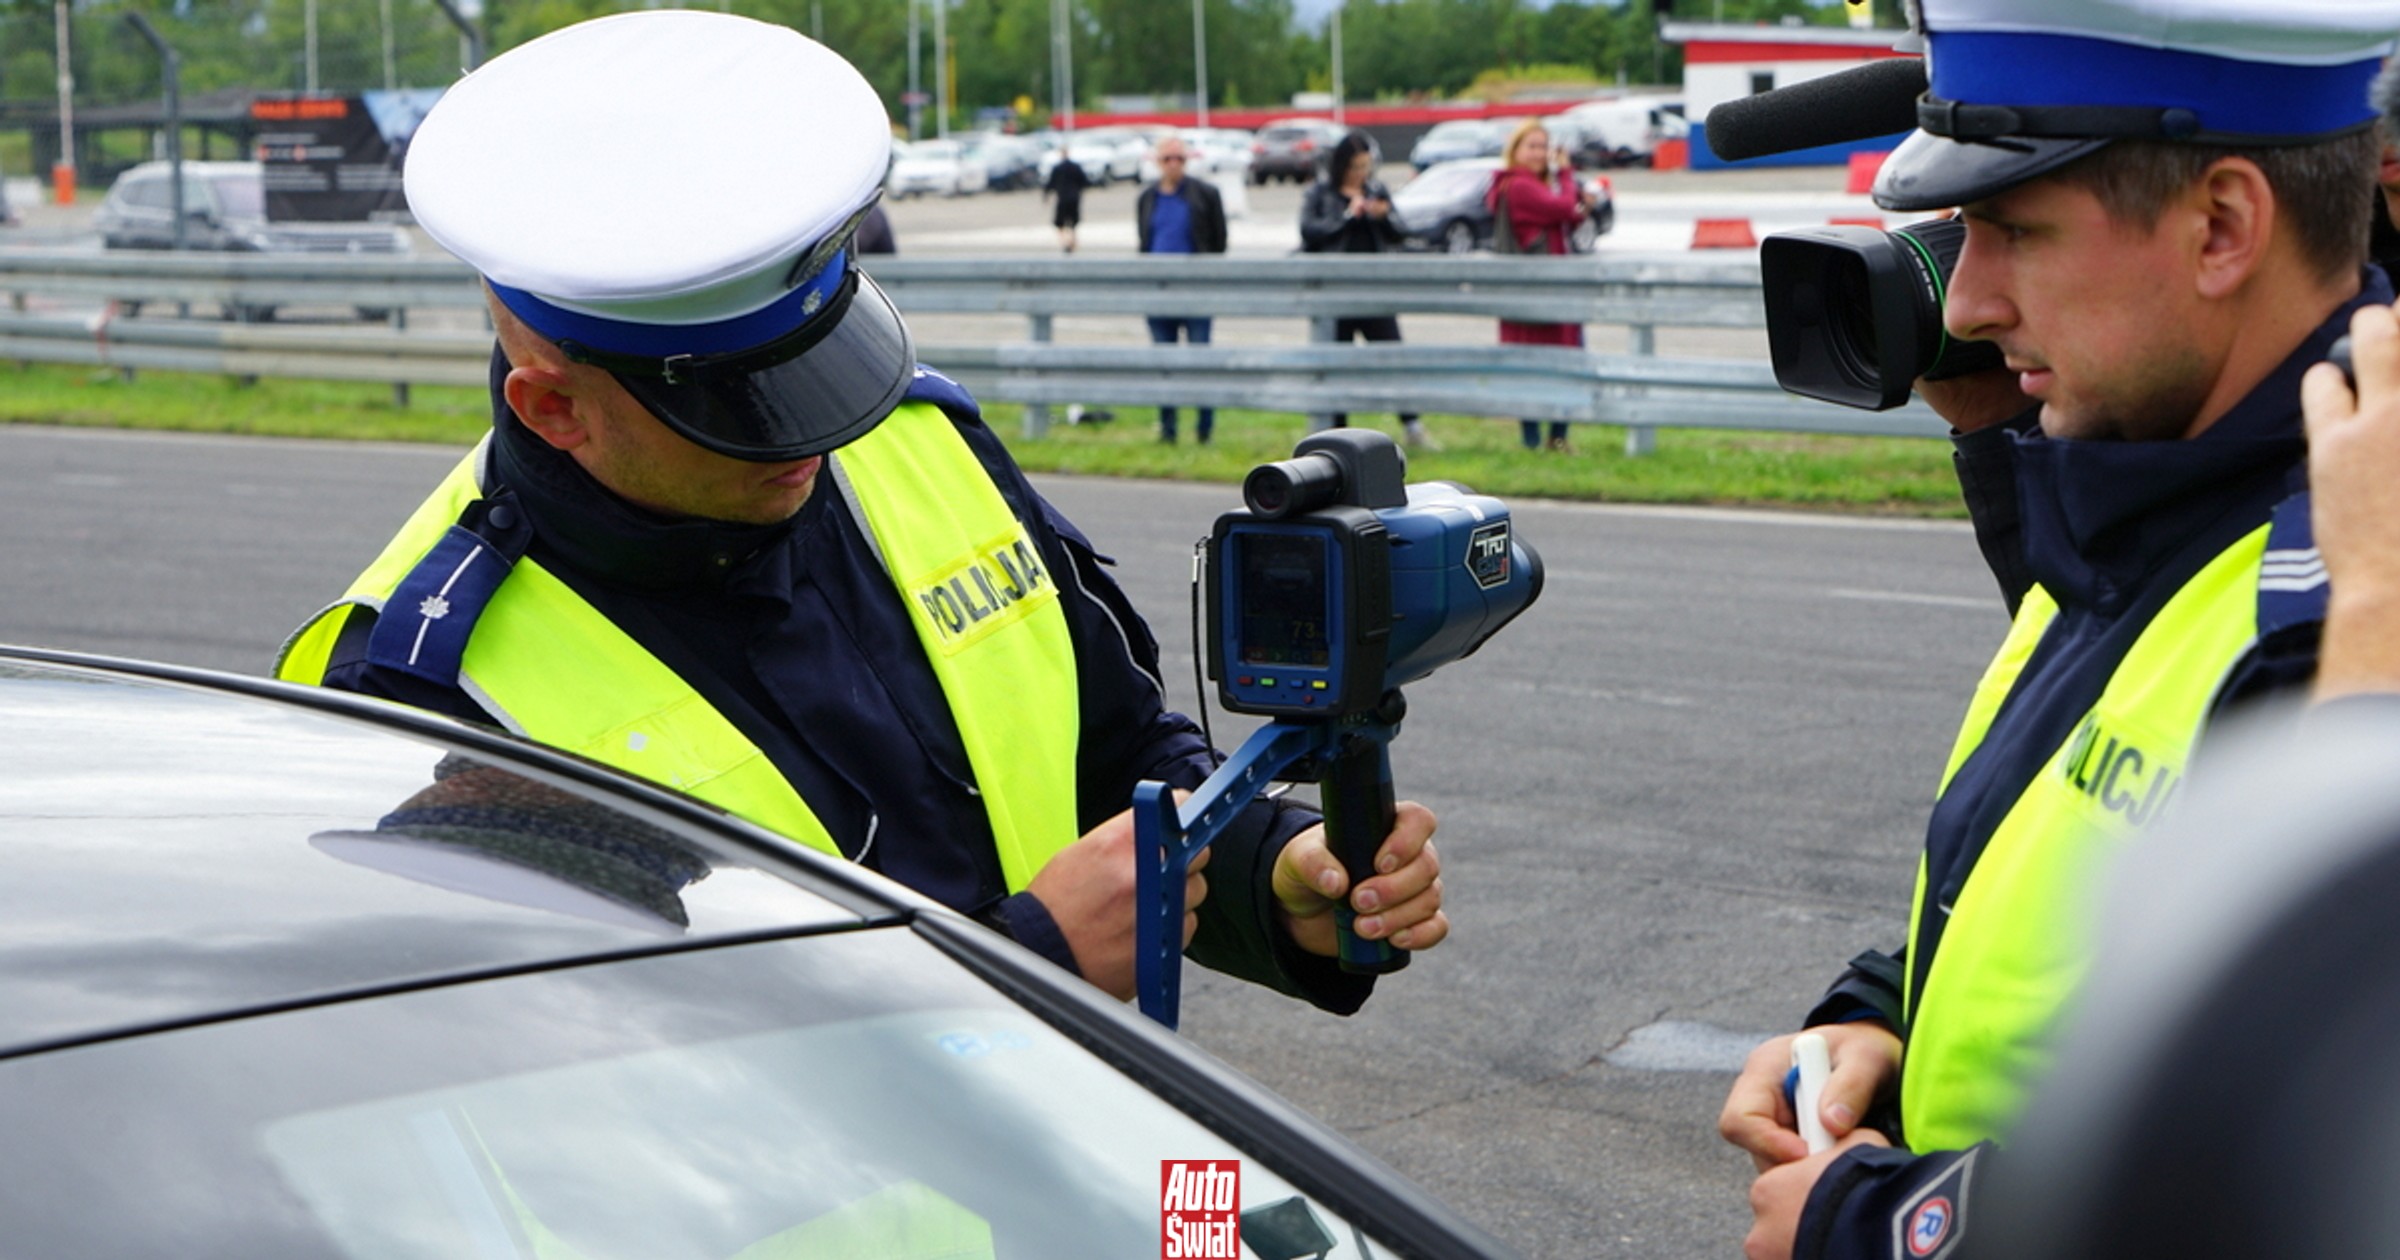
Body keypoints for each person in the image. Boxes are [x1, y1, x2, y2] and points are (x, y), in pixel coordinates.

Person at [274, 10, 1447, 1015]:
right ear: (557, 408)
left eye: (818, 373)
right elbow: (581, 1084)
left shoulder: (916, 444)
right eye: (746, 411)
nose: (816, 439)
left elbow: (1119, 760)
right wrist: (1023, 962)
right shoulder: (433, 685)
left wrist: (1272, 868)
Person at [1714, 2, 2400, 1257]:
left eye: (2012, 230)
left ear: (2223, 228)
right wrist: (1887, 1017)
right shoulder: (2147, 485)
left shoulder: (2357, 597)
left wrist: (1880, 1231)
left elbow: (2309, 1157)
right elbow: (2078, 875)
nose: (1965, 300)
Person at [1299, 131, 1435, 450]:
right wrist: (1349, 216)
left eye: (1366, 166)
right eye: (1355, 167)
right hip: (1335, 294)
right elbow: (1310, 232)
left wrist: (1383, 215)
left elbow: (1400, 232)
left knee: (1393, 357)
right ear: (1341, 166)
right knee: (1336, 366)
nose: (1362, 174)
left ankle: (1412, 425)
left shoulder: (1376, 189)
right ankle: (1335, 435)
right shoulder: (1320, 194)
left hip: (1373, 292)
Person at [1486, 119, 1592, 453]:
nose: (1539, 153)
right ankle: (1543, 440)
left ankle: (1548, 439)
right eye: (1531, 146)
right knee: (1549, 364)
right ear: (1515, 150)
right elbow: (1562, 208)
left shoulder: (1527, 183)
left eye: (1543, 146)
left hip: (1539, 289)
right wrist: (1565, 175)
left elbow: (1572, 216)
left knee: (1542, 363)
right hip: (1540, 290)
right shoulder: (1519, 185)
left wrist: (1569, 196)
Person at [1136, 135, 1228, 444]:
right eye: (1167, 159)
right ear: (1157, 162)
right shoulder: (1147, 198)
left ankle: (1205, 430)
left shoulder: (1205, 194)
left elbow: (1219, 242)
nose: (1174, 165)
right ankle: (1168, 430)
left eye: (1180, 159)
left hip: (1196, 293)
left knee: (1201, 364)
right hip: (1159, 295)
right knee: (1165, 367)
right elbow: (1144, 243)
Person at [1043, 146, 1088, 253]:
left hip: (1062, 198)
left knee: (1060, 223)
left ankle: (1065, 242)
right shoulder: (1076, 167)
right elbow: (1084, 181)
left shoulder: (1057, 168)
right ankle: (1072, 241)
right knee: (1073, 222)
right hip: (1074, 197)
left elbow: (1050, 184)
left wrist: (1046, 196)